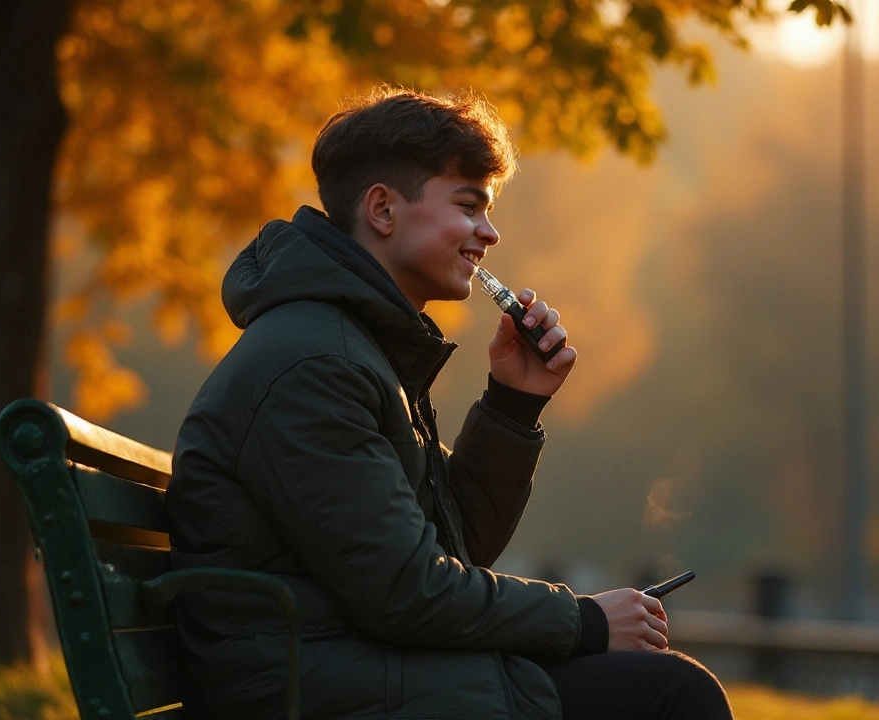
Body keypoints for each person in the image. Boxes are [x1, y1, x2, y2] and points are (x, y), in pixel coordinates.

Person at [165, 86, 733, 720]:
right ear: (382, 208)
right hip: (308, 689)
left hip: (350, 669)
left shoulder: (353, 350)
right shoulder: (317, 366)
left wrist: (513, 405)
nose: (488, 233)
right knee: (670, 695)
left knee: (658, 684)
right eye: (469, 206)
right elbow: (406, 592)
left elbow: (448, 551)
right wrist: (585, 621)